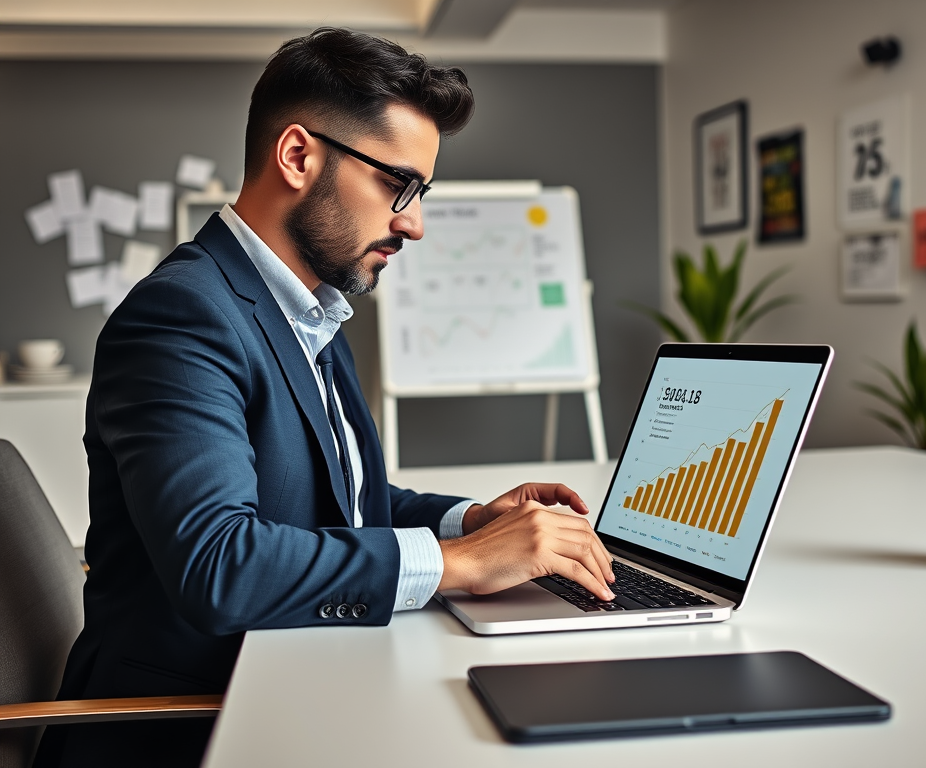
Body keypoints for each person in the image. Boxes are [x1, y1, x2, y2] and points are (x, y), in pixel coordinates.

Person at [34, 28, 614, 768]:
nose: (414, 222)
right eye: (398, 185)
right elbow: (220, 564)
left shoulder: (307, 305)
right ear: (299, 156)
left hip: (294, 682)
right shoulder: (180, 317)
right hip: (190, 727)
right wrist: (459, 562)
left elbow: (335, 496)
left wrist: (468, 520)